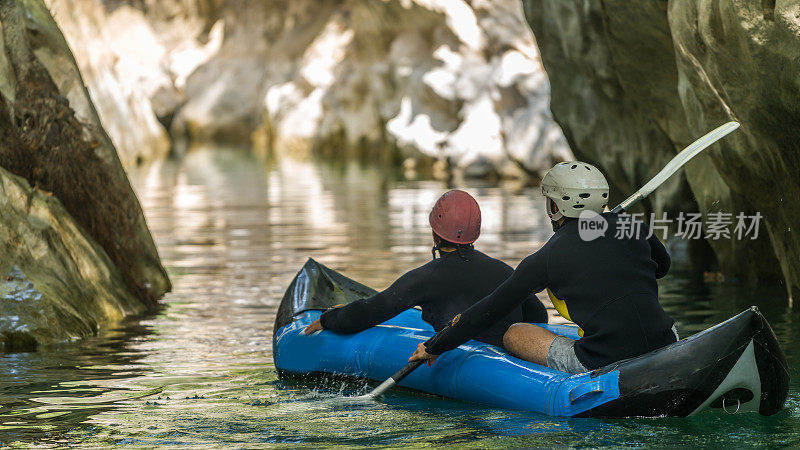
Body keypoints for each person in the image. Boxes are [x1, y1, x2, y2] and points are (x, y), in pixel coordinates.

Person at [409, 162, 677, 373]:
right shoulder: (634, 227)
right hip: (667, 340)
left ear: (555, 206)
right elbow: (662, 267)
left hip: (602, 358)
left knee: (514, 332)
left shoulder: (548, 256)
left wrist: (436, 346)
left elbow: (490, 309)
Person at [303, 189, 548, 349]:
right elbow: (538, 316)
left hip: (468, 361)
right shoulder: (504, 271)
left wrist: (329, 319)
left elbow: (372, 311)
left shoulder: (426, 277)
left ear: (435, 233)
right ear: (477, 231)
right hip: (510, 355)